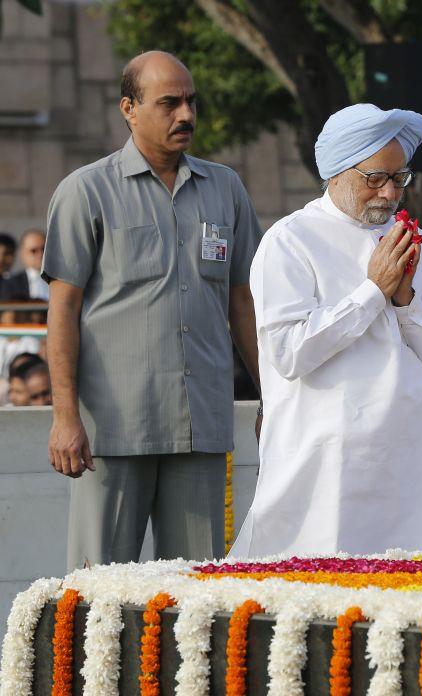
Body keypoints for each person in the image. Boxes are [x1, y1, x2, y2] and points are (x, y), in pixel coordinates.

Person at [42, 51, 262, 570]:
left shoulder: (225, 187)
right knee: (100, 590)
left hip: (201, 424)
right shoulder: (85, 191)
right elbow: (62, 311)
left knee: (198, 594)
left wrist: (271, 393)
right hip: (113, 431)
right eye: (168, 103)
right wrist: (65, 416)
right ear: (129, 108)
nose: (185, 115)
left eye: (190, 102)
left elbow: (244, 302)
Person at [231, 104, 422, 558]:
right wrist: (372, 291)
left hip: (406, 457)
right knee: (316, 600)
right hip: (323, 458)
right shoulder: (290, 241)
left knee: (415, 597)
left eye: (399, 179)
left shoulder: (416, 244)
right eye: (375, 178)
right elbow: (287, 352)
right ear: (337, 172)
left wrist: (404, 301)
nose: (389, 193)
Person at [4, 229, 49, 301]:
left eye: (43, 249)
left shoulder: (60, 281)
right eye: (33, 251)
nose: (40, 254)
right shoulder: (10, 284)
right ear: (23, 254)